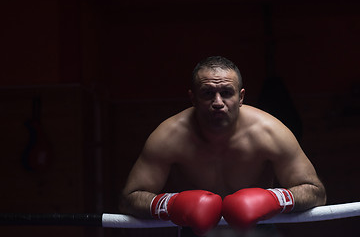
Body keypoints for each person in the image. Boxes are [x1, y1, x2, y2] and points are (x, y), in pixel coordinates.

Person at [120, 56, 326, 236]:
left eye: (227, 92)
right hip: (197, 233)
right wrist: (171, 204)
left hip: (258, 230)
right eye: (207, 93)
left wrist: (273, 199)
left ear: (241, 97)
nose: (218, 102)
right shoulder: (169, 136)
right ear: (193, 97)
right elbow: (129, 199)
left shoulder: (270, 132)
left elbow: (316, 192)